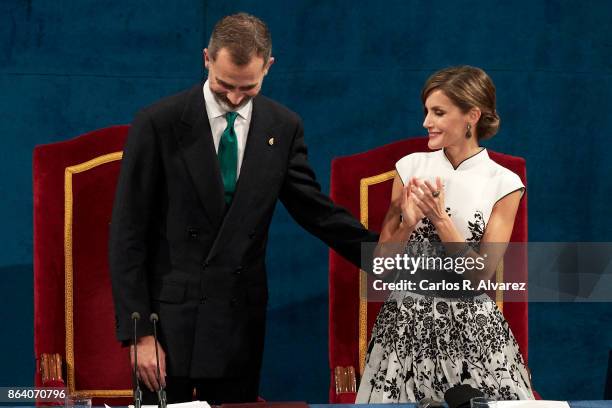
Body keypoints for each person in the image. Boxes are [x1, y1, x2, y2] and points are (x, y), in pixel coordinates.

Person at [109, 13, 377, 404]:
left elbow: (317, 213)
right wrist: (139, 335)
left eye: (247, 88)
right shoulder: (159, 122)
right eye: (223, 86)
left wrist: (394, 262)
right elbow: (127, 234)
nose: (234, 98)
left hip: (238, 320)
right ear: (206, 58)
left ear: (269, 66)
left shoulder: (283, 126)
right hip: (168, 324)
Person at [356, 66, 535, 402]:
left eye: (438, 112)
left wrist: (440, 218)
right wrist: (407, 224)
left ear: (472, 116)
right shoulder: (409, 167)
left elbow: (481, 273)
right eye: (426, 111)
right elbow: (380, 265)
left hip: (473, 328)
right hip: (405, 324)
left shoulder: (505, 183)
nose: (427, 122)